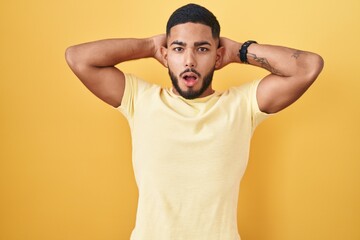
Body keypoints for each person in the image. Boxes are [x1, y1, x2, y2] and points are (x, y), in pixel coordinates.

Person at [65, 3, 323, 240]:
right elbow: (78, 58)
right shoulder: (140, 99)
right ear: (166, 55)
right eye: (178, 48)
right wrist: (149, 46)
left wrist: (238, 51)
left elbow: (308, 66)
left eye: (202, 49)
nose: (189, 60)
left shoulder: (243, 106)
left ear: (218, 57)